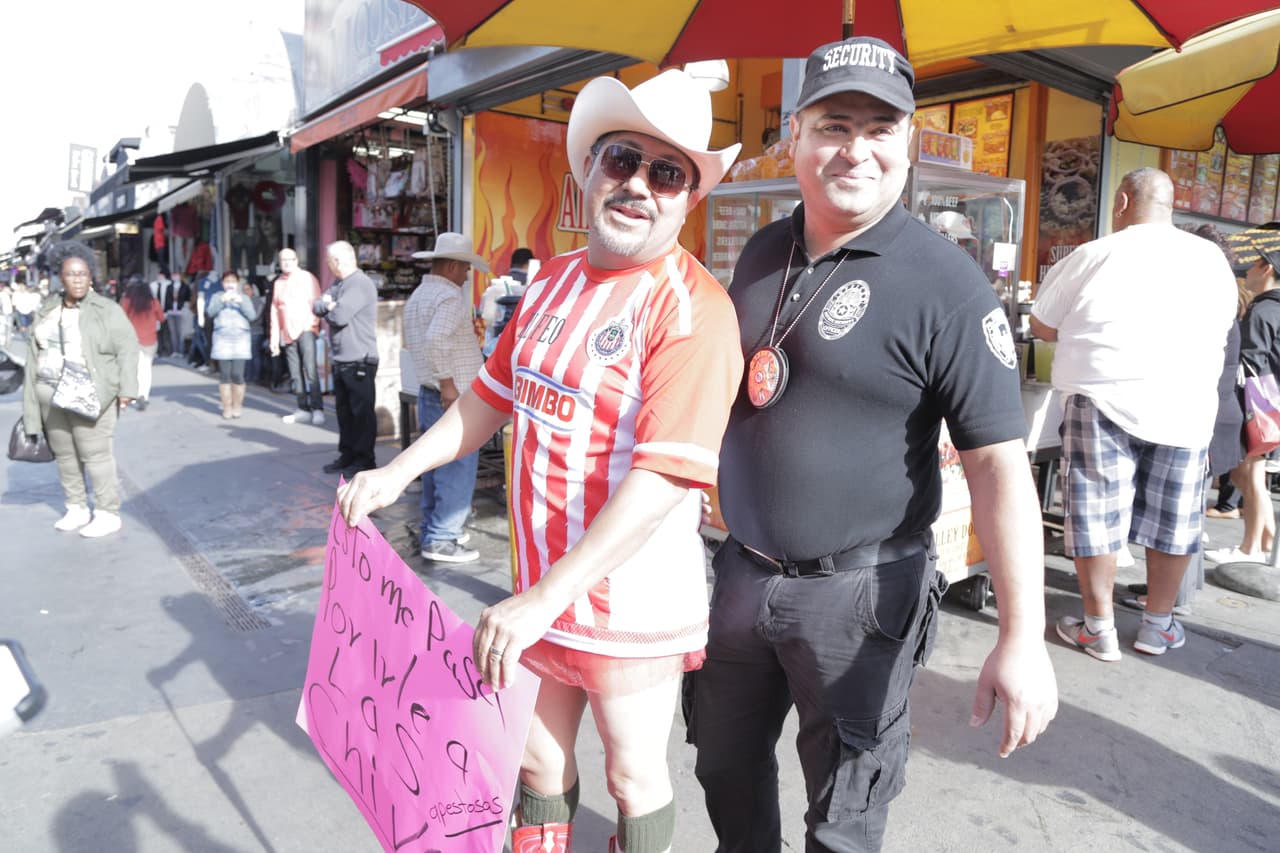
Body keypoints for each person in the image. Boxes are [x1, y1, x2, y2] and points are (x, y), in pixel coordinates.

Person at [336, 69, 743, 853]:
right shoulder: (549, 282)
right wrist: (396, 473)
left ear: (689, 197)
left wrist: (542, 599)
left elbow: (659, 481)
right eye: (622, 159)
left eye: (667, 173)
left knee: (632, 774)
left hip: (631, 607)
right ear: (586, 169)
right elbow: (487, 400)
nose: (638, 186)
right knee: (535, 759)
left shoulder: (694, 310)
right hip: (538, 587)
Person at [691, 37, 1058, 853]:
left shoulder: (948, 287)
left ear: (909, 143)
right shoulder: (760, 251)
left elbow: (1001, 469)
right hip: (740, 572)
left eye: (879, 127)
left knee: (847, 813)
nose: (855, 149)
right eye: (833, 124)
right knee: (721, 767)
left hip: (860, 597)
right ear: (794, 136)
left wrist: (1022, 635)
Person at [1031, 168, 1236, 661]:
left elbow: (1041, 323)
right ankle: (1157, 626)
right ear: (1169, 205)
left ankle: (1098, 628)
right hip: (1184, 404)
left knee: (1096, 509)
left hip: (1099, 394)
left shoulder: (1095, 253)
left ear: (1122, 200)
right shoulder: (1210, 258)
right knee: (1175, 516)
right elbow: (1226, 321)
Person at [21, 240, 139, 538]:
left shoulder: (106, 310)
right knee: (65, 455)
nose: (77, 279)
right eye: (71, 274)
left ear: (91, 276)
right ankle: (76, 507)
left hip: (90, 394)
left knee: (95, 454)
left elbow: (127, 348)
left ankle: (107, 512)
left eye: (83, 274)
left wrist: (127, 389)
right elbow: (35, 354)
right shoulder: (47, 309)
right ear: (60, 276)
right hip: (50, 393)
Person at [404, 232, 489, 564]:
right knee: (457, 463)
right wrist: (449, 386)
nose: (467, 275)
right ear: (453, 266)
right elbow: (436, 340)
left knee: (434, 463)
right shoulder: (450, 298)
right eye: (465, 268)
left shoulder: (421, 294)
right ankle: (442, 537)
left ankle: (434, 528)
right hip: (451, 396)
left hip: (431, 392)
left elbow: (428, 341)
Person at [1206, 238, 1280, 565]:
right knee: (1251, 478)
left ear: (1267, 269)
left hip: (1257, 407)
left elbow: (1251, 363)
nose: (1247, 272)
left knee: (1250, 479)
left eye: (1253, 265)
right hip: (1269, 407)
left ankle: (1251, 549)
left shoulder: (1263, 310)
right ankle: (1267, 545)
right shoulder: (1274, 308)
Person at [315, 241, 379, 477]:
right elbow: (317, 305)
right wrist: (328, 305)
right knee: (344, 411)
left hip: (359, 358)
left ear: (338, 260)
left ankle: (364, 459)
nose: (327, 265)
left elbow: (340, 315)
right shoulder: (339, 284)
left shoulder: (359, 283)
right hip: (342, 358)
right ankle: (349, 454)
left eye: (329, 261)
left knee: (361, 412)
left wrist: (330, 306)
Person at [269, 248, 324, 425]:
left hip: (306, 329)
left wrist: (310, 324)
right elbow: (274, 312)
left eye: (290, 259)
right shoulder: (278, 283)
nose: (287, 263)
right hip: (287, 332)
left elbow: (317, 302)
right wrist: (274, 338)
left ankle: (317, 408)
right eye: (283, 260)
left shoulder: (307, 278)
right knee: (295, 373)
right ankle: (302, 407)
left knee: (310, 370)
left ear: (296, 260)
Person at [207, 271, 260, 419]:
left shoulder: (244, 298)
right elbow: (210, 312)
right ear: (222, 284)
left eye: (233, 281)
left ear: (238, 283)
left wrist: (241, 302)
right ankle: (227, 407)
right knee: (225, 375)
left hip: (240, 339)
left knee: (237, 374)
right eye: (226, 281)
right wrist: (222, 301)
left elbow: (252, 316)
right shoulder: (217, 296)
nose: (230, 284)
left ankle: (237, 405)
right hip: (222, 339)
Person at [120, 275, 164, 411]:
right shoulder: (153, 302)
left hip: (132, 339)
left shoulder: (126, 301)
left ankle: (136, 393)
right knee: (147, 368)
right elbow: (161, 318)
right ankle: (145, 394)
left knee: (135, 368)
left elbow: (120, 318)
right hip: (150, 339)